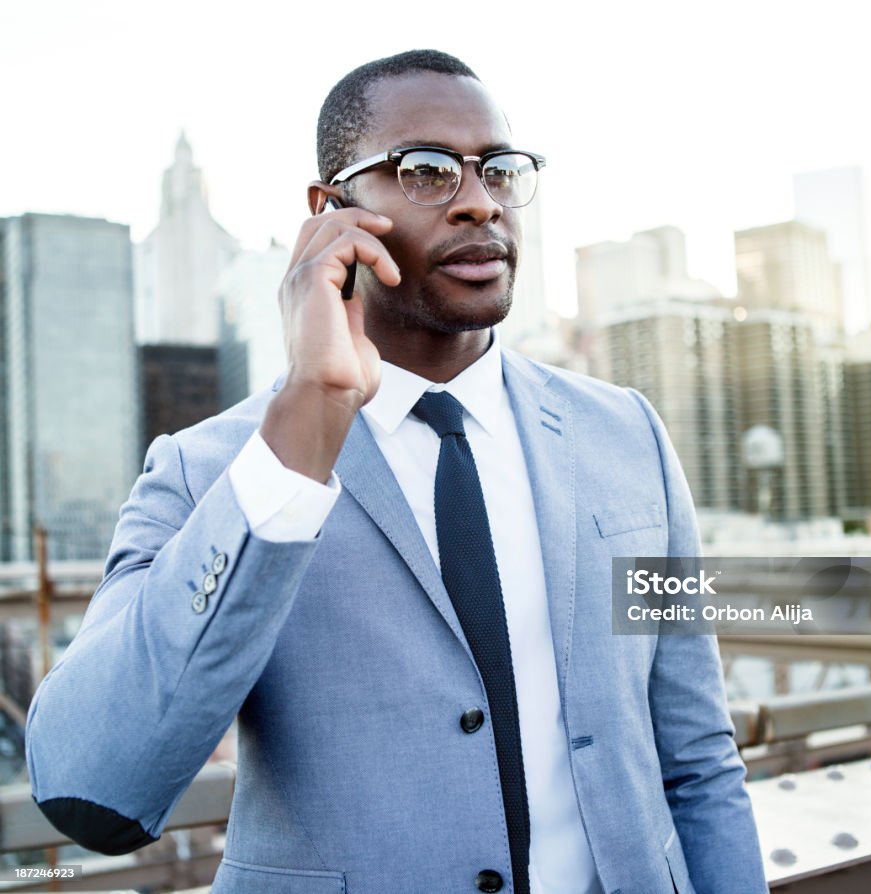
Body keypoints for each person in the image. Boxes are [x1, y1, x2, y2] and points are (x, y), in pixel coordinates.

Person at [26, 50, 767, 894]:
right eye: (425, 171)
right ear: (329, 208)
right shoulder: (213, 472)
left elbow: (699, 757)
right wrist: (302, 433)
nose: (479, 200)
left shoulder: (627, 434)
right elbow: (92, 791)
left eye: (499, 168)